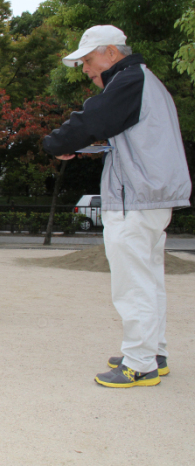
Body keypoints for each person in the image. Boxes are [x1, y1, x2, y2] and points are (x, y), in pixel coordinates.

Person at [42, 25, 192, 388]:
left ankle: (139, 363)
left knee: (133, 283)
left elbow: (92, 118)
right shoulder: (145, 81)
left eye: (89, 59)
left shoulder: (127, 81)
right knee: (149, 279)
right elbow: (124, 136)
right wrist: (82, 146)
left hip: (134, 199)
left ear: (111, 52)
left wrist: (57, 142)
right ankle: (153, 352)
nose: (86, 69)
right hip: (149, 197)